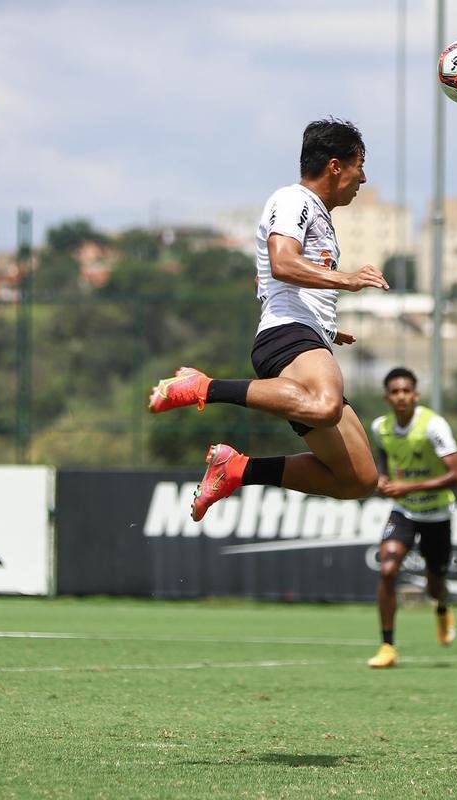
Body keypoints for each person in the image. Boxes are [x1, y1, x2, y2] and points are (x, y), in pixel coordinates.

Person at [148, 118, 389, 521]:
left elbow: (276, 279)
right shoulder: (293, 199)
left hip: (302, 334)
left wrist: (328, 328)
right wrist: (345, 280)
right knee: (326, 406)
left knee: (359, 479)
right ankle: (203, 387)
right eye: (359, 166)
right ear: (335, 166)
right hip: (288, 335)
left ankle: (237, 470)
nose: (363, 178)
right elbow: (283, 263)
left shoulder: (317, 213)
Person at [367, 367, 457, 668]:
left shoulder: (433, 426)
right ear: (387, 398)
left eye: (406, 391)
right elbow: (384, 454)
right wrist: (383, 476)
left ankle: (442, 606)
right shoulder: (380, 427)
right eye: (395, 392)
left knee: (435, 585)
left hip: (437, 513)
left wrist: (407, 486)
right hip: (405, 511)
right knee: (387, 568)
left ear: (416, 395)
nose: (401, 396)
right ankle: (387, 647)